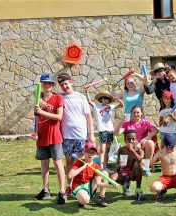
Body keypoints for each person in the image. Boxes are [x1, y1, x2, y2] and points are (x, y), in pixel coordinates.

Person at [57, 73, 96, 197]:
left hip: (81, 136)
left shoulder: (81, 97)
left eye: (66, 83)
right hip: (67, 136)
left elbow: (89, 117)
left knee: (81, 161)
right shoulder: (59, 97)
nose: (64, 86)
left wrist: (91, 135)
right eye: (62, 84)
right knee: (69, 161)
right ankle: (70, 186)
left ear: (71, 82)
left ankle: (81, 185)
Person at [33, 72, 67, 204]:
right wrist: (35, 131)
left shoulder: (58, 98)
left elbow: (59, 117)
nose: (48, 84)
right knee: (44, 163)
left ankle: (62, 191)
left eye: (50, 82)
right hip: (41, 136)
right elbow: (36, 118)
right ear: (41, 84)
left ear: (53, 85)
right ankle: (46, 189)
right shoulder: (38, 99)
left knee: (58, 163)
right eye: (45, 82)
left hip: (54, 135)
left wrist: (42, 111)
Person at [85, 88, 123, 171]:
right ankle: (101, 168)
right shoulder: (98, 106)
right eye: (104, 98)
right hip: (102, 131)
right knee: (102, 149)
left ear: (109, 100)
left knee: (107, 149)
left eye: (107, 99)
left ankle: (105, 166)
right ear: (101, 99)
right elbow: (89, 102)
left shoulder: (111, 106)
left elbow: (121, 105)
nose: (105, 100)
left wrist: (118, 100)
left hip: (110, 130)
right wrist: (87, 91)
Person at [68, 141, 116, 207]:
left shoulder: (96, 166)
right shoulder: (79, 162)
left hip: (89, 186)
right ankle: (82, 199)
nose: (90, 154)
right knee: (85, 200)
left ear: (96, 154)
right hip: (78, 187)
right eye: (88, 151)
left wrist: (111, 186)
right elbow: (70, 175)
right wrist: (83, 167)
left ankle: (101, 198)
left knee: (104, 173)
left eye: (93, 152)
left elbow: (99, 183)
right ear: (84, 152)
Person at [115, 105, 158, 176]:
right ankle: (131, 167)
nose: (136, 114)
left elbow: (155, 131)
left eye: (138, 112)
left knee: (150, 143)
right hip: (131, 146)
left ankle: (146, 168)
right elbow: (116, 133)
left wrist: (146, 138)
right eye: (134, 113)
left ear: (141, 113)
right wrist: (121, 122)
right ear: (131, 114)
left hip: (142, 145)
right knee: (136, 145)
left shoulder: (146, 122)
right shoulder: (127, 124)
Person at [111, 129, 146, 201]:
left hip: (135, 172)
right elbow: (117, 165)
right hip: (124, 171)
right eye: (128, 139)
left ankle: (138, 190)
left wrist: (133, 150)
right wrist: (119, 166)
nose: (131, 141)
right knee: (112, 179)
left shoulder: (139, 150)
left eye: (133, 139)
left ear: (136, 140)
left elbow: (141, 161)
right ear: (125, 140)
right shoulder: (121, 150)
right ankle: (126, 185)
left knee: (138, 163)